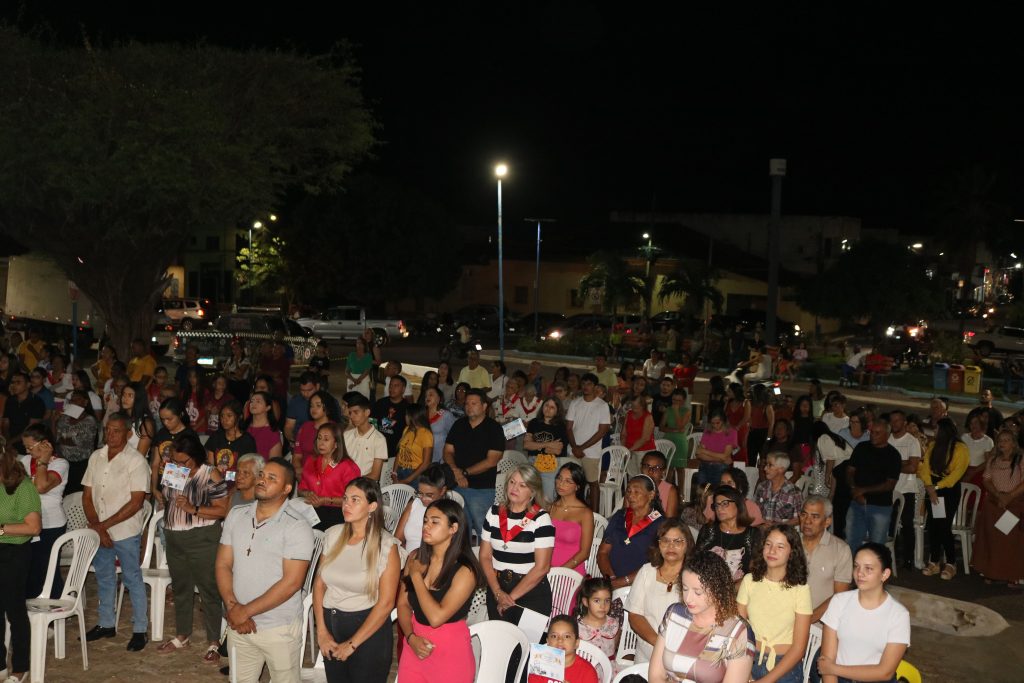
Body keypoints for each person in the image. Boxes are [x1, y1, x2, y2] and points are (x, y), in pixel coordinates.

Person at [216, 457, 313, 683]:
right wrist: (233, 607)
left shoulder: (297, 525)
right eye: (261, 475)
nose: (262, 480)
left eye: (271, 478)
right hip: (239, 622)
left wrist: (245, 611)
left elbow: (292, 582)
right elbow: (222, 564)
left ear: (286, 489)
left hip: (278, 626)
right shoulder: (237, 514)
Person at [313, 478, 400, 683]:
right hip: (330, 627)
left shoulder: (386, 545)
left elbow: (386, 603)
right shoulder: (333, 535)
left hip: (367, 630)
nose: (346, 504)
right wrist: (322, 632)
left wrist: (352, 644)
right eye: (345, 499)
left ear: (372, 506)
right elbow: (319, 584)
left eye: (355, 500)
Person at [157, 433, 229, 663]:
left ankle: (214, 641)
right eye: (174, 461)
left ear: (196, 456)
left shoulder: (210, 474)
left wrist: (193, 508)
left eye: (183, 462)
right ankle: (182, 635)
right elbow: (167, 498)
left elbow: (222, 509)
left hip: (202, 538)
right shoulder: (174, 470)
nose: (178, 466)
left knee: (208, 590)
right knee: (180, 588)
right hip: (174, 537)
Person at [82, 414, 151, 651]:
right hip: (100, 528)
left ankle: (140, 629)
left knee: (132, 578)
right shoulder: (96, 456)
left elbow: (137, 502)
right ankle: (106, 623)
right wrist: (97, 525)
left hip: (124, 530)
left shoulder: (136, 461)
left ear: (128, 434)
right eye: (107, 430)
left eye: (116, 431)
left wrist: (102, 527)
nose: (110, 435)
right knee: (104, 577)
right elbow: (87, 496)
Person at [396, 498, 484, 683]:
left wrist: (416, 577)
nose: (426, 526)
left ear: (453, 528)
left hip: (449, 652)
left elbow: (436, 618)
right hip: (414, 645)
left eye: (435, 522)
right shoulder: (415, 557)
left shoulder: (465, 570)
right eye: (425, 520)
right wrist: (411, 637)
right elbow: (402, 604)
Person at [649, 551, 755, 683]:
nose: (688, 598)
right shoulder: (674, 615)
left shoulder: (738, 632)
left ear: (717, 589)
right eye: (685, 589)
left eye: (698, 592)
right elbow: (655, 676)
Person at [818, 543, 910, 683]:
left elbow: (885, 672)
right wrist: (831, 670)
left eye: (868, 568)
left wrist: (834, 669)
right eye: (856, 566)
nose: (860, 573)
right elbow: (827, 660)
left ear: (885, 574)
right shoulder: (839, 601)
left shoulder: (898, 615)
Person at [480, 465, 554, 627]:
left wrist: (510, 598)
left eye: (522, 485)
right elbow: (484, 556)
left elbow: (542, 567)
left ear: (532, 491)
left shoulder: (541, 519)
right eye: (512, 482)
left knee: (528, 642)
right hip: (497, 588)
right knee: (500, 640)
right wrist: (498, 593)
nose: (514, 488)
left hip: (531, 592)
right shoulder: (494, 512)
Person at [737, 525, 812, 683]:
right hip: (750, 658)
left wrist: (765, 681)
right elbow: (738, 632)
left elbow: (799, 649)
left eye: (780, 546)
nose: (772, 551)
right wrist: (744, 672)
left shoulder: (800, 589)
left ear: (792, 553)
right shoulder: (749, 581)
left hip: (785, 666)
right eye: (768, 544)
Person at [0, 438, 42, 683]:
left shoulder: (22, 486)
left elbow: (34, 527)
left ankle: (21, 666)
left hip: (14, 552)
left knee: (14, 610)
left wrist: (1, 529)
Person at [624, 519, 694, 664]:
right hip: (647, 654)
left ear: (687, 545)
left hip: (682, 655)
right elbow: (635, 615)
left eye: (677, 541)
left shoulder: (694, 577)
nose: (671, 546)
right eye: (665, 540)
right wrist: (659, 644)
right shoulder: (646, 572)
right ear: (658, 545)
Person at [443, 390, 505, 539]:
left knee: (483, 529)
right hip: (456, 484)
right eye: (467, 404)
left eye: (473, 403)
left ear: (484, 406)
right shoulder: (459, 424)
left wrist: (464, 473)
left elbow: (492, 460)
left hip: (481, 488)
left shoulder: (494, 428)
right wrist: (456, 471)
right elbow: (447, 451)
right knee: (459, 530)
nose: (469, 407)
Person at [20, 424, 69, 600]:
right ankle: (30, 605)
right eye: (25, 447)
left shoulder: (60, 463)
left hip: (51, 524)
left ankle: (56, 605)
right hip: (27, 521)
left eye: (30, 447)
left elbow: (41, 487)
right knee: (30, 568)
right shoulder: (25, 461)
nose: (27, 451)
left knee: (47, 569)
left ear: (44, 444)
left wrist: (43, 460)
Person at [971, 428, 1024, 585]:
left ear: (1013, 443)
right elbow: (986, 479)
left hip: (1013, 504)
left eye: (1007, 440)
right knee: (992, 539)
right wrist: (998, 495)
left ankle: (1011, 575)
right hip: (994, 503)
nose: (1002, 443)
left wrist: (1009, 496)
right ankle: (991, 572)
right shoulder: (993, 460)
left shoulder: (1021, 459)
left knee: (1010, 540)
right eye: (1000, 440)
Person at [918, 417, 969, 579]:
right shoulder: (933, 445)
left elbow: (955, 476)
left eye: (937, 429)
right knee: (933, 525)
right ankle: (934, 561)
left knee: (944, 526)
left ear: (944, 431)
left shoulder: (961, 449)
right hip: (932, 487)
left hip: (948, 489)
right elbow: (924, 468)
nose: (934, 431)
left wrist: (935, 488)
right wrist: (929, 486)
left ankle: (951, 562)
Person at [597, 474, 666, 590]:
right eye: (628, 491)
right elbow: (603, 552)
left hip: (642, 585)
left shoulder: (661, 524)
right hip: (612, 582)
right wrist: (612, 580)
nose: (630, 495)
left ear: (651, 495)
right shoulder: (619, 516)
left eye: (636, 492)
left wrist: (625, 581)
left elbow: (656, 563)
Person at [845, 419, 901, 551]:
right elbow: (850, 471)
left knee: (876, 547)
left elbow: (890, 484)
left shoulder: (893, 455)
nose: (873, 436)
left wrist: (862, 490)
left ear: (887, 435)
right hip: (857, 504)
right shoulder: (862, 447)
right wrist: (854, 489)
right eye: (872, 432)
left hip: (880, 506)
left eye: (877, 433)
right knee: (851, 543)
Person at [799, 496, 852, 624]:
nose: (807, 521)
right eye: (804, 515)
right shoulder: (789, 543)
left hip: (821, 623)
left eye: (815, 517)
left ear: (827, 521)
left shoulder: (841, 550)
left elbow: (840, 596)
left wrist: (807, 620)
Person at [298, 423, 360, 530]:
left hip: (338, 511)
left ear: (336, 444)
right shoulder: (311, 460)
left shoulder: (348, 466)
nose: (321, 443)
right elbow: (300, 490)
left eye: (326, 439)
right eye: (319, 438)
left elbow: (354, 499)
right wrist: (308, 493)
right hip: (312, 509)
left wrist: (325, 500)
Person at [696, 485, 760, 583]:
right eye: (716, 505)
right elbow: (696, 562)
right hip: (707, 585)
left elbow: (756, 570)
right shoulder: (707, 530)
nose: (719, 508)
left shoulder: (752, 534)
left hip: (740, 588)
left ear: (738, 504)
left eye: (725, 503)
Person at [566, 373, 612, 511]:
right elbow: (568, 427)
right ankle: (572, 510)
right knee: (571, 482)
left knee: (593, 483)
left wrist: (581, 448)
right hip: (573, 450)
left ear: (595, 386)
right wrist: (575, 447)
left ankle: (594, 513)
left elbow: (602, 431)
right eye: (584, 383)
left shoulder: (602, 405)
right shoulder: (575, 403)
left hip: (591, 452)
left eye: (589, 384)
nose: (586, 386)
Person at [886, 410, 921, 568]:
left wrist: (893, 465)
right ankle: (889, 557)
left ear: (904, 422)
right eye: (892, 420)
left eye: (897, 420)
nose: (894, 424)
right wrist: (903, 463)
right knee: (889, 523)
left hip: (907, 489)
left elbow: (913, 468)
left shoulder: (912, 442)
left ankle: (908, 559)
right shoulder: (887, 439)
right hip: (888, 488)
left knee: (907, 525)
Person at [547, 462, 594, 575]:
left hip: (571, 572)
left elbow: (584, 553)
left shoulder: (585, 513)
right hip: (545, 568)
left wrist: (559, 572)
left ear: (577, 486)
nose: (561, 483)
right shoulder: (550, 508)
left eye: (568, 481)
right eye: (559, 478)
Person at [151, 398, 198, 506]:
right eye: (162, 419)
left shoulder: (189, 435)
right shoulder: (161, 433)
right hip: (161, 486)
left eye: (169, 419)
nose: (165, 423)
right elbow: (155, 464)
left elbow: (193, 467)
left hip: (181, 490)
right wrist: (154, 489)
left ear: (180, 415)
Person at [53, 389, 100, 495]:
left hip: (81, 464)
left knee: (77, 494)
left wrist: (62, 438)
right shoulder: (65, 418)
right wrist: (53, 421)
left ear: (85, 402)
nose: (73, 402)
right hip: (64, 461)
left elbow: (77, 442)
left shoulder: (89, 420)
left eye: (77, 399)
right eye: (72, 400)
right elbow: (56, 438)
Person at [395, 464, 449, 552]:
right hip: (407, 556)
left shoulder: (448, 511)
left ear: (442, 490)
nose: (423, 498)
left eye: (429, 495)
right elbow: (398, 539)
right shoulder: (415, 504)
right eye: (420, 493)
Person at [292, 389, 341, 483]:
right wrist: (299, 472)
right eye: (311, 406)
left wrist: (310, 476)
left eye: (318, 405)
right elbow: (297, 456)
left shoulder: (334, 429)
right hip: (302, 476)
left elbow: (335, 459)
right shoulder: (305, 426)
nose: (313, 409)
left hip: (325, 477)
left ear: (327, 408)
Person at [524, 397, 568, 501]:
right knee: (529, 496)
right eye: (546, 405)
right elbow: (526, 445)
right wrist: (548, 444)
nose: (548, 409)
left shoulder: (561, 426)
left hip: (550, 463)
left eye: (552, 407)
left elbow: (557, 449)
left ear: (557, 411)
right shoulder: (534, 422)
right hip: (532, 462)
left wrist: (536, 445)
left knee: (547, 498)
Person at [205, 401, 258, 483]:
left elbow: (248, 471)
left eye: (229, 416)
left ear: (239, 417)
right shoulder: (216, 436)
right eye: (222, 416)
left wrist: (226, 476)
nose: (224, 419)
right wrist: (216, 475)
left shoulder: (247, 441)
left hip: (239, 483)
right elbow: (210, 465)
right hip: (216, 482)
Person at [342, 393, 388, 480]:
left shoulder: (379, 439)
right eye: (350, 413)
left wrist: (353, 481)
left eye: (356, 412)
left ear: (367, 412)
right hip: (345, 481)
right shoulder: (346, 435)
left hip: (366, 484)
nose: (352, 416)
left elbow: (375, 475)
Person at [545, 616, 600, 683]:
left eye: (567, 636)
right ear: (548, 642)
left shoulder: (588, 672)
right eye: (554, 636)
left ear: (576, 643)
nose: (560, 640)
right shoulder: (539, 665)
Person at [576, 577, 620, 659]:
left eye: (607, 601)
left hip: (610, 666)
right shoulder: (576, 627)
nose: (603, 606)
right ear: (585, 602)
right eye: (597, 601)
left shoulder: (614, 625)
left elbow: (613, 650)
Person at [754, 453, 802, 526]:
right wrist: (761, 523)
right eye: (766, 464)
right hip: (761, 530)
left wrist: (776, 526)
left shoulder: (794, 492)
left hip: (782, 531)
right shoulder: (762, 487)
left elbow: (798, 519)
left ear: (781, 469)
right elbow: (754, 511)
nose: (765, 468)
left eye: (770, 465)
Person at [695, 410, 740, 487]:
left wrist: (705, 451)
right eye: (712, 423)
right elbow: (699, 455)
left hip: (720, 468)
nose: (715, 425)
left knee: (718, 492)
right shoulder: (707, 431)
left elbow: (724, 456)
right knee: (703, 492)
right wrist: (721, 458)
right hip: (705, 466)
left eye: (718, 423)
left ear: (724, 421)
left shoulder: (731, 432)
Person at [395, 403, 434, 485]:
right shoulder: (407, 429)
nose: (405, 417)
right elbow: (400, 453)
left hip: (415, 473)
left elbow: (426, 463)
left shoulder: (426, 434)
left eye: (407, 415)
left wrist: (408, 480)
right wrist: (394, 472)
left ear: (413, 416)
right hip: (400, 470)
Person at [372, 373, 410, 459]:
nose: (392, 388)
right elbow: (372, 420)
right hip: (376, 448)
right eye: (390, 385)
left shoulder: (408, 408)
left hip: (394, 453)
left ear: (403, 389)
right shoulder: (381, 403)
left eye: (396, 386)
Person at [659, 389, 691, 485]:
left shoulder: (687, 411)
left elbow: (680, 426)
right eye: (674, 400)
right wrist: (673, 430)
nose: (676, 403)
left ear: (684, 401)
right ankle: (667, 492)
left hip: (680, 442)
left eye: (679, 400)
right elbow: (661, 427)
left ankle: (681, 492)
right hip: (668, 439)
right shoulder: (668, 410)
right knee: (668, 468)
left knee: (680, 469)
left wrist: (676, 411)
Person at [1, 372, 44, 441]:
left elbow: (31, 429)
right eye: (13, 382)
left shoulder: (37, 402)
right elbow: (5, 424)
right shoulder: (10, 400)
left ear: (28, 385)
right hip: (9, 438)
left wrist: (11, 442)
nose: (14, 385)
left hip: (28, 440)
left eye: (18, 382)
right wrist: (7, 440)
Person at [623, 392, 656, 476]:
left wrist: (630, 450)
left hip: (644, 450)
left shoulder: (648, 416)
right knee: (632, 476)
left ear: (642, 406)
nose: (633, 409)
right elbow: (623, 433)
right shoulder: (629, 414)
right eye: (632, 406)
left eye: (636, 407)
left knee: (645, 476)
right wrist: (624, 449)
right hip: (630, 449)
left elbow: (645, 438)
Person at [283, 372, 320, 446]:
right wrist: (293, 441)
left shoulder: (329, 401)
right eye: (302, 390)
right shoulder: (295, 402)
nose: (305, 394)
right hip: (299, 443)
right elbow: (289, 427)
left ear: (317, 386)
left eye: (309, 390)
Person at [246, 391, 283, 460]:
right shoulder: (244, 427)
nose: (253, 404)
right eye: (252, 401)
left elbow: (274, 462)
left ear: (267, 407)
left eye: (258, 401)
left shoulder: (272, 432)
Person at [961, 411, 994, 483]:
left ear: (981, 424)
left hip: (978, 471)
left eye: (976, 423)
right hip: (963, 469)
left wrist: (973, 471)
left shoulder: (988, 441)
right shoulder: (964, 437)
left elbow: (988, 461)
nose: (973, 425)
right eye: (971, 423)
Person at [223, 340, 253, 405]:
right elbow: (225, 372)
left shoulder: (245, 361)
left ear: (241, 350)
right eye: (233, 349)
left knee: (240, 403)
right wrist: (233, 375)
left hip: (241, 385)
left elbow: (239, 374)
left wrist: (236, 362)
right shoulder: (230, 359)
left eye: (237, 349)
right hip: (231, 384)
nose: (235, 351)